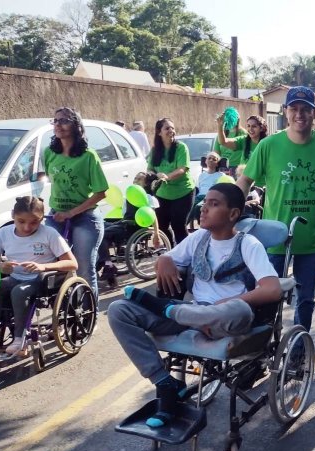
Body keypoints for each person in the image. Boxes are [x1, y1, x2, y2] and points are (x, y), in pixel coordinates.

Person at [108, 183, 282, 428]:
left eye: (214, 204)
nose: (203, 208)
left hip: (225, 321)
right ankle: (164, 382)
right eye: (204, 202)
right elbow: (169, 259)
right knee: (119, 310)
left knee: (239, 309)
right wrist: (165, 259)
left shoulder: (247, 244)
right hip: (193, 315)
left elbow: (272, 289)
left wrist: (229, 302)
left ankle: (170, 309)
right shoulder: (198, 238)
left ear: (233, 215)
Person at [238, 86, 315, 332]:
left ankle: (298, 350)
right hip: (274, 238)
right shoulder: (269, 145)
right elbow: (245, 181)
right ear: (286, 112)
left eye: (305, 109)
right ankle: (265, 345)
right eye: (294, 108)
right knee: (267, 296)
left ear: (314, 113)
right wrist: (229, 208)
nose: (300, 114)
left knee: (305, 299)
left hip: (311, 239)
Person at [0, 196, 78, 359]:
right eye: (21, 221)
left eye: (34, 222)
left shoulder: (49, 234)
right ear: (12, 215)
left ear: (41, 219)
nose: (27, 227)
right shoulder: (4, 233)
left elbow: (72, 263)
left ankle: (20, 339)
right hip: (15, 277)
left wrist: (43, 266)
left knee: (19, 292)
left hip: (42, 280)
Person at [44, 107, 109, 298]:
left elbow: (100, 193)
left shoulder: (88, 156)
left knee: (84, 269)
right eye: (55, 121)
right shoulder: (49, 153)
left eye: (64, 121)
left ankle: (89, 315)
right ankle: (62, 308)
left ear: (76, 125)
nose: (58, 125)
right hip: (56, 216)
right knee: (51, 263)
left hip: (85, 218)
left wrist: (71, 213)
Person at [98, 172, 162, 288]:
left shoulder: (148, 198)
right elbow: (124, 214)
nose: (135, 181)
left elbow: (152, 216)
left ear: (146, 184)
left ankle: (107, 264)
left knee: (102, 234)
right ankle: (103, 262)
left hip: (134, 228)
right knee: (98, 227)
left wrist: (156, 233)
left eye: (139, 179)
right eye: (135, 178)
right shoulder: (129, 197)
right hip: (124, 223)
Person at [148, 117, 194, 246]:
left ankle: (186, 254)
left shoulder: (181, 147)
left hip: (183, 192)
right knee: (162, 225)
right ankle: (172, 251)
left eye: (172, 128)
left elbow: (182, 169)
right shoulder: (154, 150)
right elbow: (150, 169)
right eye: (167, 128)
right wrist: (156, 174)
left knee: (178, 225)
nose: (171, 131)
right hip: (163, 193)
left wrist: (167, 177)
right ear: (159, 132)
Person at [215, 111, 248, 177]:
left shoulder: (243, 133)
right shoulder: (221, 134)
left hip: (237, 167)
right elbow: (217, 152)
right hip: (223, 167)